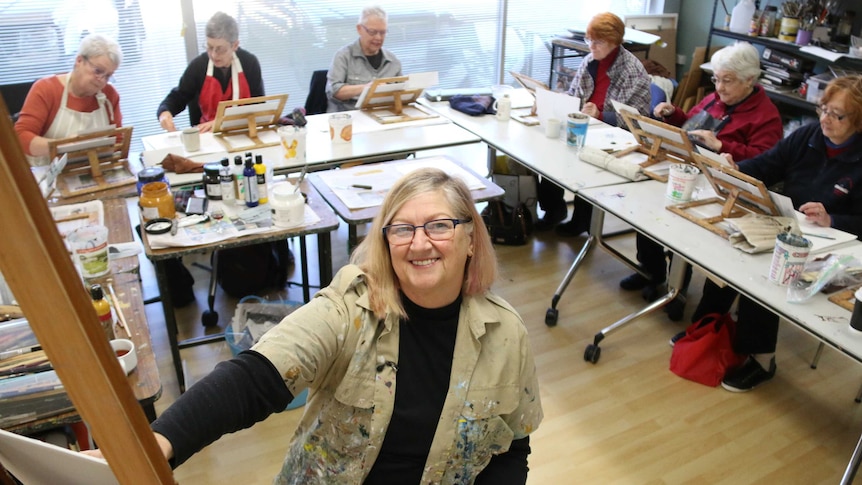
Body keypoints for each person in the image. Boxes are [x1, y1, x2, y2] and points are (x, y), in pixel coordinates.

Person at [91, 168, 543, 483]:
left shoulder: (506, 335)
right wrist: (156, 443)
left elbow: (512, 448)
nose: (419, 243)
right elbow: (257, 376)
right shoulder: (352, 309)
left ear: (470, 238)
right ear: (385, 244)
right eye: (401, 229)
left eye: (438, 226)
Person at [686, 75, 862, 392]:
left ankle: (761, 359)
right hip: (791, 226)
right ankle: (707, 327)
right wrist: (738, 169)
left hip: (839, 246)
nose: (826, 119)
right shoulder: (809, 134)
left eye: (838, 115)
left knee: (767, 272)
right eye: (824, 109)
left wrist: (833, 217)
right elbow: (768, 164)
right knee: (733, 247)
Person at [619, 42, 783, 320]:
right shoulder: (715, 99)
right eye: (716, 79)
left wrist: (722, 145)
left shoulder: (766, 117)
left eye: (727, 81)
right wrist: (675, 114)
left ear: (750, 80)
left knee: (685, 230)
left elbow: (764, 161)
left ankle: (678, 287)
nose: (719, 87)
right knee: (645, 203)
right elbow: (691, 127)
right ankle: (651, 270)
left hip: (725, 190)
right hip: (691, 173)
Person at [537, 12, 651, 236]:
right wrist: (549, 103)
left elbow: (637, 120)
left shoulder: (632, 71)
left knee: (584, 159)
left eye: (598, 41)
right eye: (589, 40)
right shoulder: (590, 62)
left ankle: (582, 220)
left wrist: (601, 115)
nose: (591, 46)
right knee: (549, 150)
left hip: (615, 136)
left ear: (614, 41)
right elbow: (573, 95)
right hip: (586, 126)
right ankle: (554, 210)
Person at [15, 34, 123, 167]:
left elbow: (117, 141)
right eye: (98, 71)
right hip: (48, 176)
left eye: (108, 76)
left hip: (94, 172)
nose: (102, 80)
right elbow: (22, 138)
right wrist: (64, 146)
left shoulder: (109, 95)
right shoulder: (46, 89)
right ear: (79, 61)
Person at [157, 11, 264, 133]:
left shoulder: (249, 63)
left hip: (242, 132)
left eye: (220, 49)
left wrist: (221, 123)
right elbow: (179, 96)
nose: (213, 55)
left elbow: (259, 108)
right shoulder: (198, 66)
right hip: (207, 136)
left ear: (235, 45)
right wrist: (164, 113)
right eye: (209, 47)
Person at [326, 5, 403, 113]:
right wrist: (367, 88)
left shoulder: (393, 61)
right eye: (372, 32)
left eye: (382, 32)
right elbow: (334, 91)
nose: (378, 38)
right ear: (359, 29)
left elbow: (401, 93)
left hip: (383, 116)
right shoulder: (343, 56)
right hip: (350, 118)